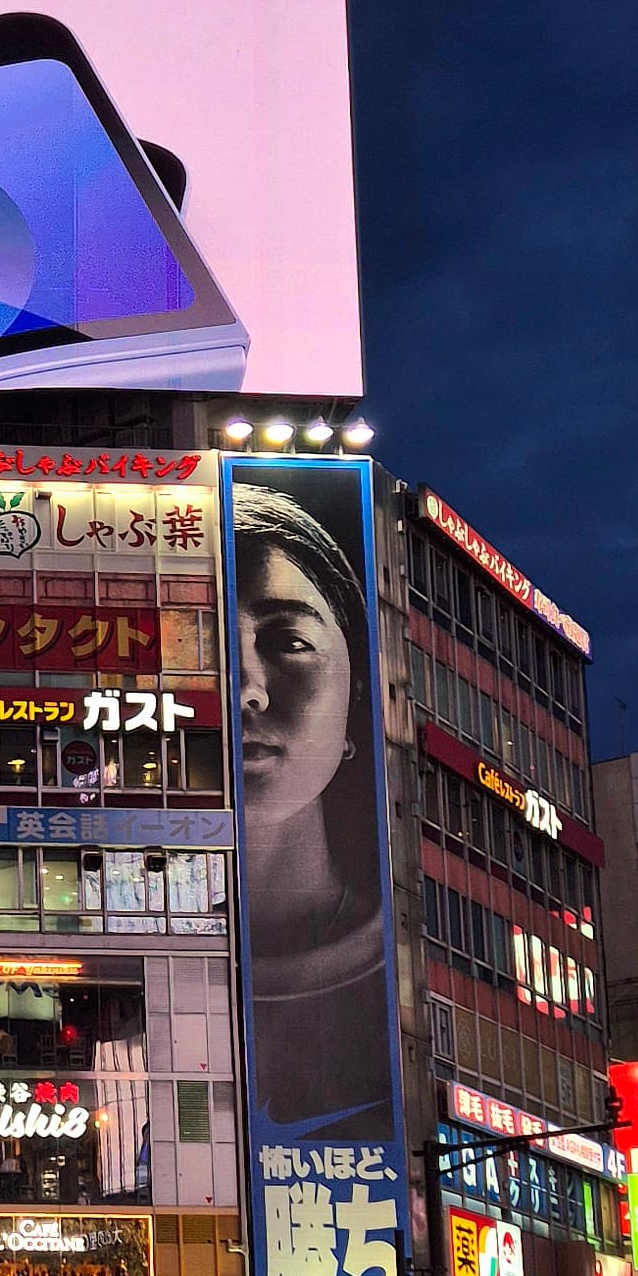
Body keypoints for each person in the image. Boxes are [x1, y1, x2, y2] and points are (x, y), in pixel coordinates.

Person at [230, 484, 395, 1143]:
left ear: (357, 692)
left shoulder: (393, 968)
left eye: (289, 641)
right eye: (198, 635)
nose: (246, 687)